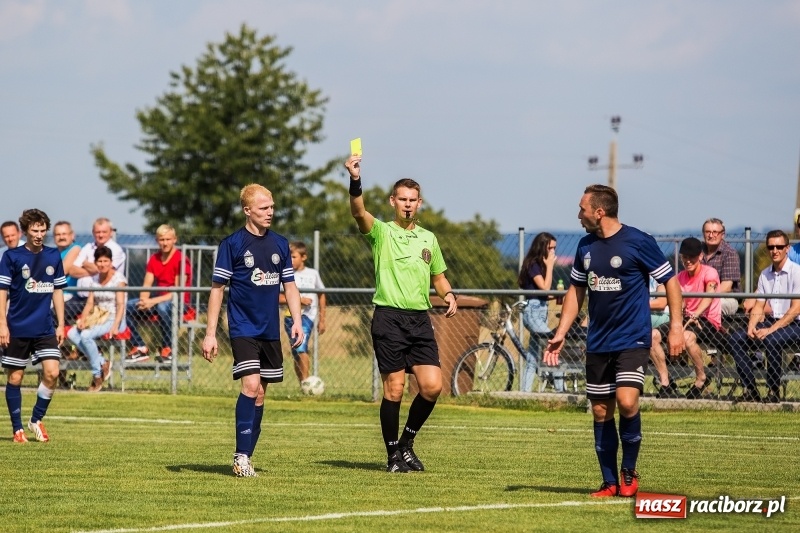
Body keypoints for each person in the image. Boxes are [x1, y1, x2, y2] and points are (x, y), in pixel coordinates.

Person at [544, 184, 684, 498]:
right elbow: (576, 291)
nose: (578, 215)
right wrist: (561, 332)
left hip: (632, 339)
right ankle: (609, 482)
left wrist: (676, 326)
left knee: (627, 401)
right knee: (600, 412)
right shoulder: (585, 246)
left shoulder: (639, 241)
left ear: (599, 212)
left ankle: (628, 471)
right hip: (598, 342)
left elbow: (671, 282)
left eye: (582, 209)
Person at [344, 153, 458, 473]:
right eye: (402, 199)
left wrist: (448, 294)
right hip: (389, 317)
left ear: (419, 203)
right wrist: (355, 179)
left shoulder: (428, 238)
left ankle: (406, 443)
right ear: (393, 201)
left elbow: (438, 277)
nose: (407, 205)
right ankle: (392, 455)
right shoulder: (381, 232)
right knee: (394, 389)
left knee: (432, 386)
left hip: (420, 319)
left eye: (412, 200)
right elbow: (358, 211)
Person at [202, 184, 304, 477]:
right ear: (247, 210)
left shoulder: (280, 244)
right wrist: (210, 333)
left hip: (270, 330)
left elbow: (290, 287)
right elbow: (217, 290)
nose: (270, 212)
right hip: (242, 328)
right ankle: (241, 457)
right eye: (263, 208)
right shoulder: (232, 244)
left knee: (260, 394)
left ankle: (247, 454)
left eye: (272, 207)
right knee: (250, 386)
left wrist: (297, 321)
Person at [0, 209, 66, 443]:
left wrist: (61, 324)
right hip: (17, 327)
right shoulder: (11, 257)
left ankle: (36, 419)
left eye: (42, 230)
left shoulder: (53, 255)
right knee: (15, 378)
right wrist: (2, 324)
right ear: (25, 231)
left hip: (45, 327)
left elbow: (58, 291)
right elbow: (2, 291)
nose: (39, 234)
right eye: (34, 230)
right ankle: (17, 429)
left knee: (52, 372)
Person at [728, 230, 800, 403]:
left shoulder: (797, 272)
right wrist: (751, 327)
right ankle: (750, 389)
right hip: (772, 322)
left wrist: (770, 330)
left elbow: (796, 309)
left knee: (772, 340)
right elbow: (759, 306)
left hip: (795, 324)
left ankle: (773, 390)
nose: (775, 250)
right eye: (771, 247)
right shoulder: (765, 274)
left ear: (787, 248)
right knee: (736, 339)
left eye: (779, 247)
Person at [650, 238, 719, 399]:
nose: (688, 261)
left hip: (706, 320)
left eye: (692, 257)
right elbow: (679, 302)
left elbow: (709, 295)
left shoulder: (710, 273)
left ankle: (701, 378)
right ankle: (665, 382)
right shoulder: (680, 277)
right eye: (684, 257)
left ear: (700, 256)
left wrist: (696, 313)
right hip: (685, 320)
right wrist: (678, 319)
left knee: (687, 338)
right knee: (651, 336)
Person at [125, 224, 193, 364]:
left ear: (174, 239)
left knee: (163, 307)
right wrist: (144, 300)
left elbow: (177, 292)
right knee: (127, 306)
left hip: (179, 303)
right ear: (157, 240)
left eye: (168, 239)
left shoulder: (181, 259)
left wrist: (152, 301)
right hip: (157, 301)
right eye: (162, 239)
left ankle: (168, 348)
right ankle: (140, 347)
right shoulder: (154, 259)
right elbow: (146, 285)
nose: (165, 243)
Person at [66, 246, 124, 392]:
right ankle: (103, 363)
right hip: (97, 316)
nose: (102, 264)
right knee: (72, 333)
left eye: (105, 261)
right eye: (99, 261)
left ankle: (97, 375)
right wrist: (82, 319)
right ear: (96, 263)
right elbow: (90, 303)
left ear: (111, 262)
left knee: (85, 336)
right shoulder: (95, 279)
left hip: (112, 317)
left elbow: (121, 305)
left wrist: (115, 325)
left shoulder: (119, 280)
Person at [517, 232, 562, 393]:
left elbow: (543, 294)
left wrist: (558, 295)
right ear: (542, 247)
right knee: (554, 345)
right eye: (550, 248)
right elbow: (544, 288)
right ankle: (561, 391)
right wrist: (550, 266)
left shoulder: (540, 265)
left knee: (532, 357)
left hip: (541, 310)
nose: (553, 252)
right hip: (533, 312)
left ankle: (525, 393)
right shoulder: (533, 265)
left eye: (554, 248)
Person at [278, 241, 326, 386]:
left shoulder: (313, 274)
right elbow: (278, 297)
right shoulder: (285, 274)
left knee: (301, 347)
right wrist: (299, 300)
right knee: (296, 351)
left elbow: (321, 294)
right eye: (288, 257)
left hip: (307, 316)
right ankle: (303, 385)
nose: (290, 260)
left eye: (294, 257)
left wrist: (322, 319)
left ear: (303, 257)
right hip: (290, 317)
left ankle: (306, 382)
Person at [71, 217, 126, 314]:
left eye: (104, 232)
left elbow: (103, 270)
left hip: (102, 300)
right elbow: (72, 271)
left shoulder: (115, 249)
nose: (101, 235)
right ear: (93, 232)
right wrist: (93, 269)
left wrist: (84, 263)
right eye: (98, 232)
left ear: (111, 232)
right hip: (80, 298)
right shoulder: (88, 247)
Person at [701, 218, 741, 315]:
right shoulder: (698, 251)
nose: (711, 235)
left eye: (715, 232)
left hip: (726, 297)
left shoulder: (729, 253)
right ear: (703, 234)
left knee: (714, 306)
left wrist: (705, 298)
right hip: (700, 295)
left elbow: (726, 287)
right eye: (708, 232)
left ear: (722, 234)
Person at [648, 276, 678, 398]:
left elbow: (661, 302)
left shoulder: (656, 276)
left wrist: (635, 304)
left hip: (661, 317)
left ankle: (665, 381)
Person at [52, 221, 83, 322]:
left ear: (72, 235)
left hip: (68, 296)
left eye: (64, 234)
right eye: (58, 234)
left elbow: (63, 270)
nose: (61, 237)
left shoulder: (76, 249)